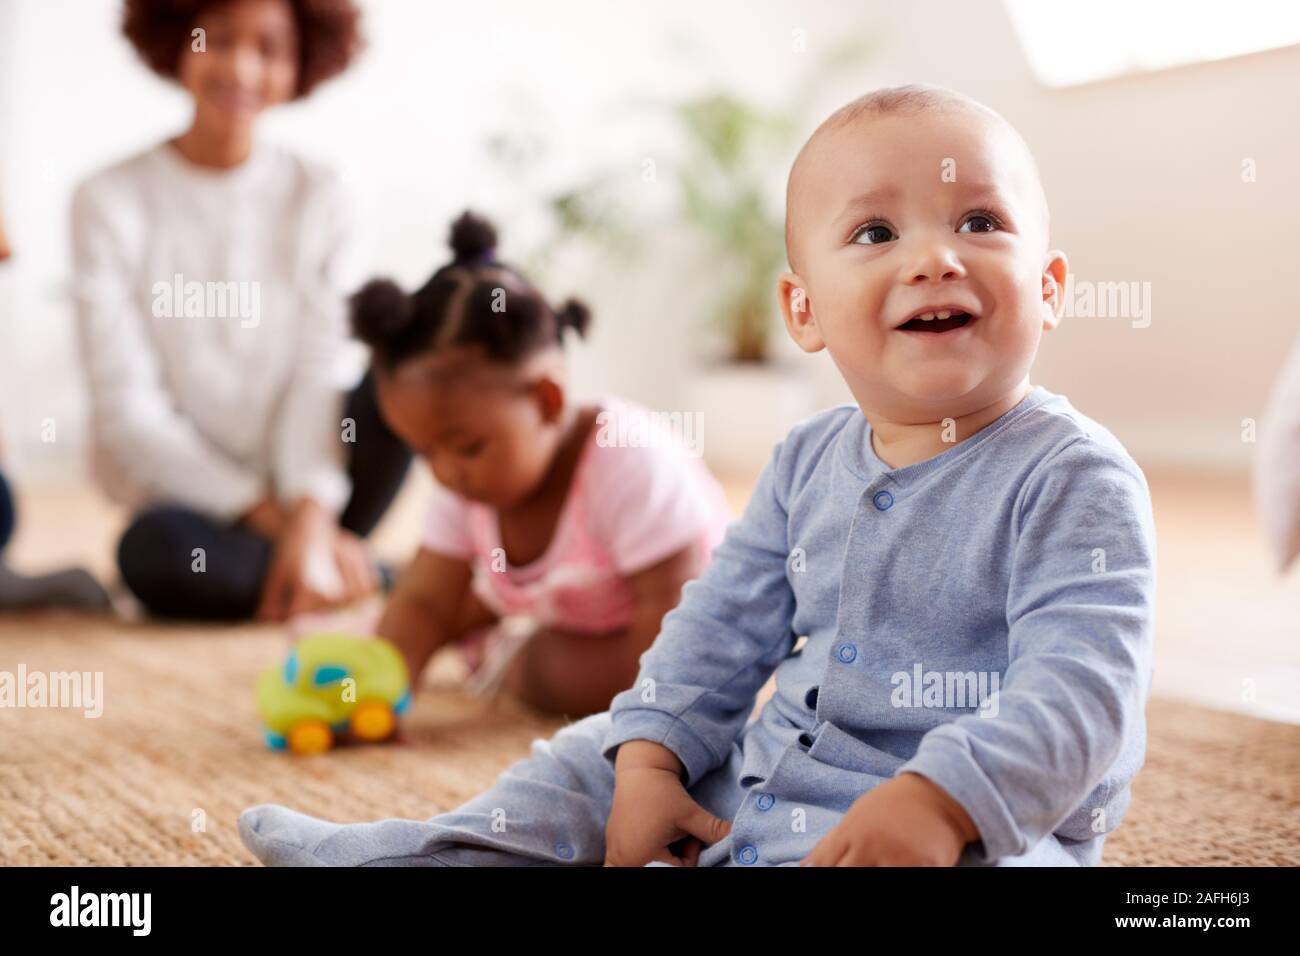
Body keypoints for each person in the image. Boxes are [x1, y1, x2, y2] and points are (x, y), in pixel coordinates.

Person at [239, 85, 1157, 867]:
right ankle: (442, 849)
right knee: (585, 758)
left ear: (1051, 286)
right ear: (804, 311)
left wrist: (943, 802)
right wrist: (651, 760)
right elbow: (719, 624)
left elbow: (1083, 696)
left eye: (981, 222)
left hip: (969, 821)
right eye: (876, 231)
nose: (933, 257)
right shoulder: (806, 459)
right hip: (766, 763)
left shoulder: (1077, 479)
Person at [71, 0, 410, 621]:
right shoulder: (108, 199)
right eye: (217, 40)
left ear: (303, 61)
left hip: (318, 476)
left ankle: (313, 559)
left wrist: (309, 512)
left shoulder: (323, 192)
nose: (240, 68)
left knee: (399, 384)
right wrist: (274, 520)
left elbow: (320, 369)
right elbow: (130, 414)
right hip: (195, 502)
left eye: (269, 49)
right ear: (175, 41)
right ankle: (356, 569)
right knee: (151, 552)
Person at [346, 211, 733, 717]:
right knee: (435, 602)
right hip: (569, 599)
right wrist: (374, 693)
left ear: (548, 400)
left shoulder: (627, 458)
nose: (445, 473)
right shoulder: (467, 483)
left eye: (465, 447)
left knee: (555, 664)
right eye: (423, 453)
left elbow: (675, 649)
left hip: (691, 632)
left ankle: (510, 658)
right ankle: (493, 636)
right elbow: (425, 602)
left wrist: (530, 667)